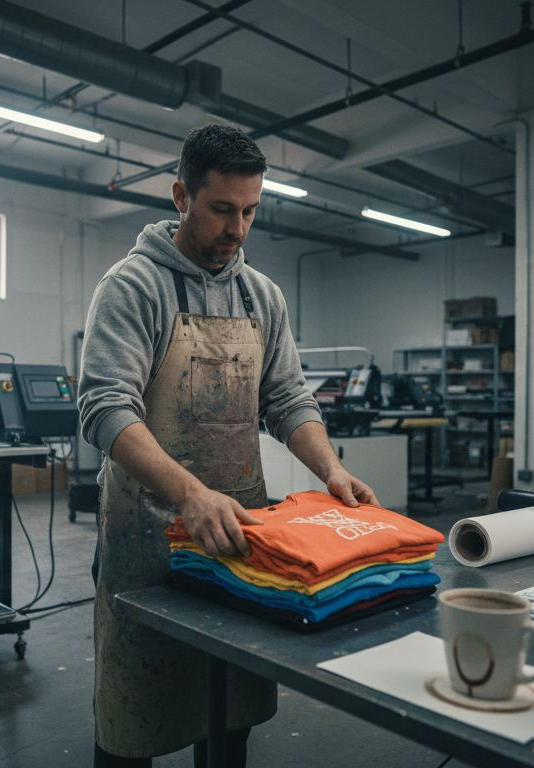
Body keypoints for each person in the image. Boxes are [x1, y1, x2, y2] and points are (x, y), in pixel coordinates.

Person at [78, 124, 377, 768]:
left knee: (227, 723)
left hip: (240, 542)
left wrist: (331, 472)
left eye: (250, 211)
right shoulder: (133, 288)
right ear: (182, 195)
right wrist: (190, 494)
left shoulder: (261, 296)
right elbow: (105, 409)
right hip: (146, 542)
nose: (238, 228)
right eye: (222, 210)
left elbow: (289, 401)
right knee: (136, 721)